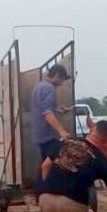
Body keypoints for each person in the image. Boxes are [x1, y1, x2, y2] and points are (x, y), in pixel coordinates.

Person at [30, 64, 74, 197]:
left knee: (45, 163)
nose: (62, 83)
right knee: (52, 166)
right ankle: (47, 194)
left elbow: (43, 109)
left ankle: (39, 194)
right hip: (49, 135)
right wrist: (61, 131)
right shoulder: (49, 89)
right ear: (57, 76)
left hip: (39, 134)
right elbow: (47, 113)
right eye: (62, 79)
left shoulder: (39, 86)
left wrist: (58, 109)